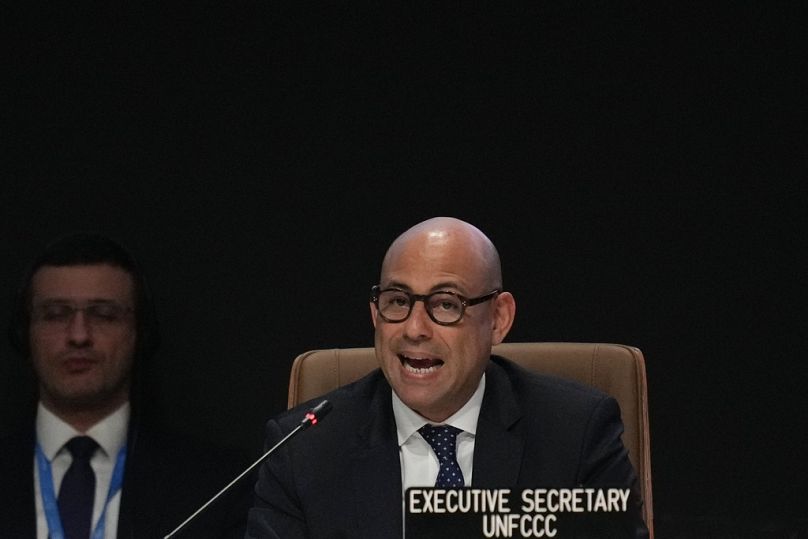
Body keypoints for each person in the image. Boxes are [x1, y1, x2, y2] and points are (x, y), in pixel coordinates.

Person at [245, 216, 649, 538]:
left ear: (499, 319)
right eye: (398, 301)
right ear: (375, 313)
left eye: (445, 304)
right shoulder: (304, 449)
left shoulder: (575, 434)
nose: (415, 328)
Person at [0, 232, 252, 538]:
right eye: (55, 315)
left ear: (141, 333)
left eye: (104, 315)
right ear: (23, 332)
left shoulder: (221, 485)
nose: (78, 335)